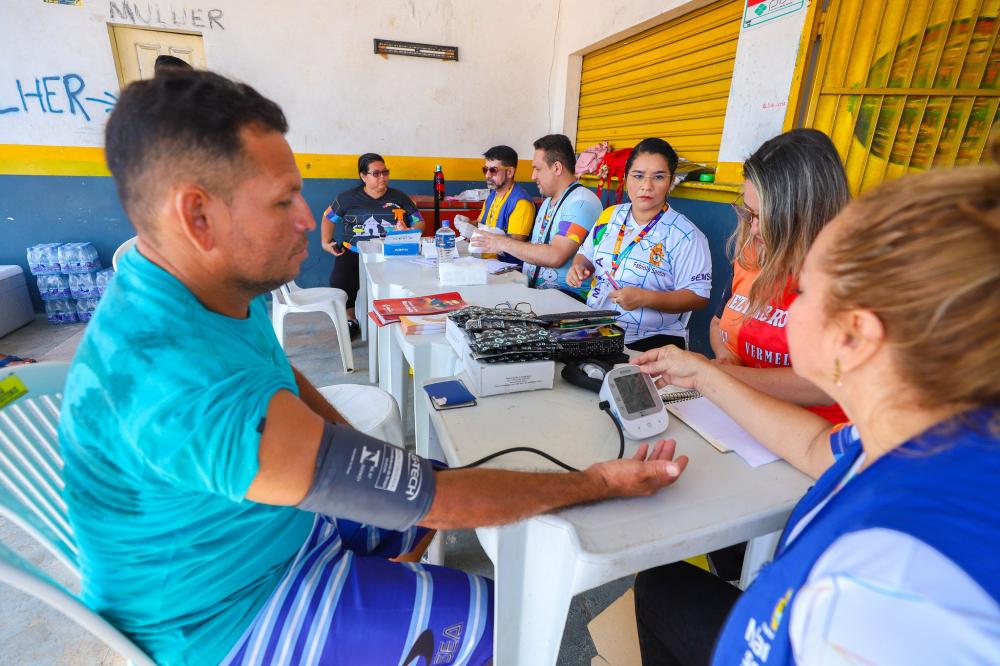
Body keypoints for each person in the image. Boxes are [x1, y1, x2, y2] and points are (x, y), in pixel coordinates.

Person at [60, 70, 689, 666]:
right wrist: (597, 483)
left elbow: (286, 376)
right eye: (284, 203)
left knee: (423, 485)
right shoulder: (184, 381)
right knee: (501, 617)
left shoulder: (196, 282)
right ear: (197, 217)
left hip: (253, 534)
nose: (310, 220)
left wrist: (367, 460)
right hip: (227, 618)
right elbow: (435, 500)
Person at [631, 163, 1000, 665]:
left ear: (854, 336)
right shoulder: (927, 433)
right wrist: (702, 374)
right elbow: (813, 446)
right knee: (663, 587)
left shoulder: (880, 588)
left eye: (803, 291)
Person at [711, 128, 849, 423]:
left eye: (767, 217)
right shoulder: (750, 249)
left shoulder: (845, 277)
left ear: (808, 216)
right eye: (750, 212)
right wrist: (726, 356)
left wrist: (722, 375)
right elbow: (717, 322)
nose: (755, 228)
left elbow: (824, 385)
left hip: (811, 439)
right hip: (743, 419)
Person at [566, 138, 712, 352]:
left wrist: (646, 298)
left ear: (671, 182)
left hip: (652, 338)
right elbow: (585, 254)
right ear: (625, 179)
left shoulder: (687, 236)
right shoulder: (609, 216)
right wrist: (579, 267)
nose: (646, 186)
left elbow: (698, 297)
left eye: (659, 177)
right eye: (638, 176)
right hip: (597, 325)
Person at [471, 134, 602, 301]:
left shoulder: (581, 202)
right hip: (535, 293)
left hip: (565, 300)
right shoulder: (548, 202)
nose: (533, 176)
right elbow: (537, 248)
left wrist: (500, 242)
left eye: (537, 169)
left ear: (556, 168)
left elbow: (556, 256)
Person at [320, 153, 424, 337]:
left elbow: (419, 222)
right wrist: (325, 242)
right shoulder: (347, 198)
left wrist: (408, 231)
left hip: (391, 252)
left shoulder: (399, 197)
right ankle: (350, 320)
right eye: (376, 173)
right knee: (340, 283)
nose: (382, 177)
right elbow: (328, 217)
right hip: (354, 251)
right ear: (363, 176)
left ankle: (396, 318)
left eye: (385, 172)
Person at [470, 144, 536, 265]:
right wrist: (467, 224)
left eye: (493, 170)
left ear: (510, 172)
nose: (487, 175)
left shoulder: (521, 203)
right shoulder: (492, 196)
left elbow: (515, 245)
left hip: (508, 268)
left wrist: (473, 231)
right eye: (485, 169)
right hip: (485, 261)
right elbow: (481, 223)